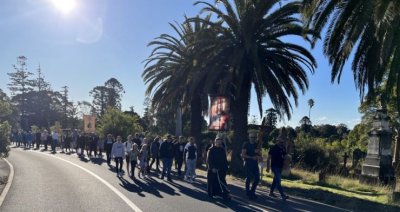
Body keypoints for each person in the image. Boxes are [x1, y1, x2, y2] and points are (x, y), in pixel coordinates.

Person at [207, 136, 230, 200]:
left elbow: (224, 159)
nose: (219, 143)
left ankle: (221, 194)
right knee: (211, 182)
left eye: (220, 142)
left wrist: (226, 167)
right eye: (218, 142)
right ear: (215, 142)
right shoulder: (211, 149)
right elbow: (209, 159)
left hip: (220, 168)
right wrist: (212, 168)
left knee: (220, 181)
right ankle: (211, 194)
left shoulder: (222, 150)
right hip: (212, 168)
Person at [267, 136, 289, 201]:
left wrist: (286, 164)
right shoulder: (273, 148)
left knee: (275, 180)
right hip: (274, 166)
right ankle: (283, 195)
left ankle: (271, 192)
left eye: (282, 142)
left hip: (280, 167)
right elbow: (268, 158)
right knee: (278, 180)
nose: (281, 143)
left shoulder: (283, 148)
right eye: (280, 142)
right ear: (277, 141)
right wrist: (268, 167)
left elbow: (285, 157)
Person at [241, 133, 261, 200]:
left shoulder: (256, 145)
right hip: (248, 163)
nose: (253, 138)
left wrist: (258, 156)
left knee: (257, 178)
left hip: (255, 164)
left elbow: (259, 154)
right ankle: (248, 192)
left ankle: (252, 192)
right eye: (252, 137)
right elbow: (243, 155)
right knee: (249, 178)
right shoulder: (246, 144)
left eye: (254, 137)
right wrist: (251, 157)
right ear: (249, 137)